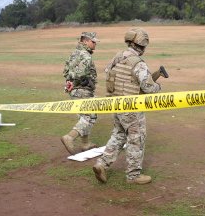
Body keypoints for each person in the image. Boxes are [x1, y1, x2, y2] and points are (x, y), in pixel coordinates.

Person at [92, 28, 161, 185]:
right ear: (142, 45)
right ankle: (133, 175)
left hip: (115, 104)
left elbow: (108, 72)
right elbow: (149, 87)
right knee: (136, 139)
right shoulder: (138, 63)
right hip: (131, 108)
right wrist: (158, 87)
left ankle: (101, 164)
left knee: (118, 135)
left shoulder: (117, 57)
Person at [61, 32, 99, 154]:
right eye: (93, 42)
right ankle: (70, 137)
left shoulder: (74, 54)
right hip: (83, 90)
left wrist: (70, 82)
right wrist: (79, 81)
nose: (95, 44)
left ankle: (85, 143)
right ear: (86, 41)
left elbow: (66, 71)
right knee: (89, 117)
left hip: (74, 91)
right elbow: (81, 73)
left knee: (84, 116)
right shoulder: (86, 56)